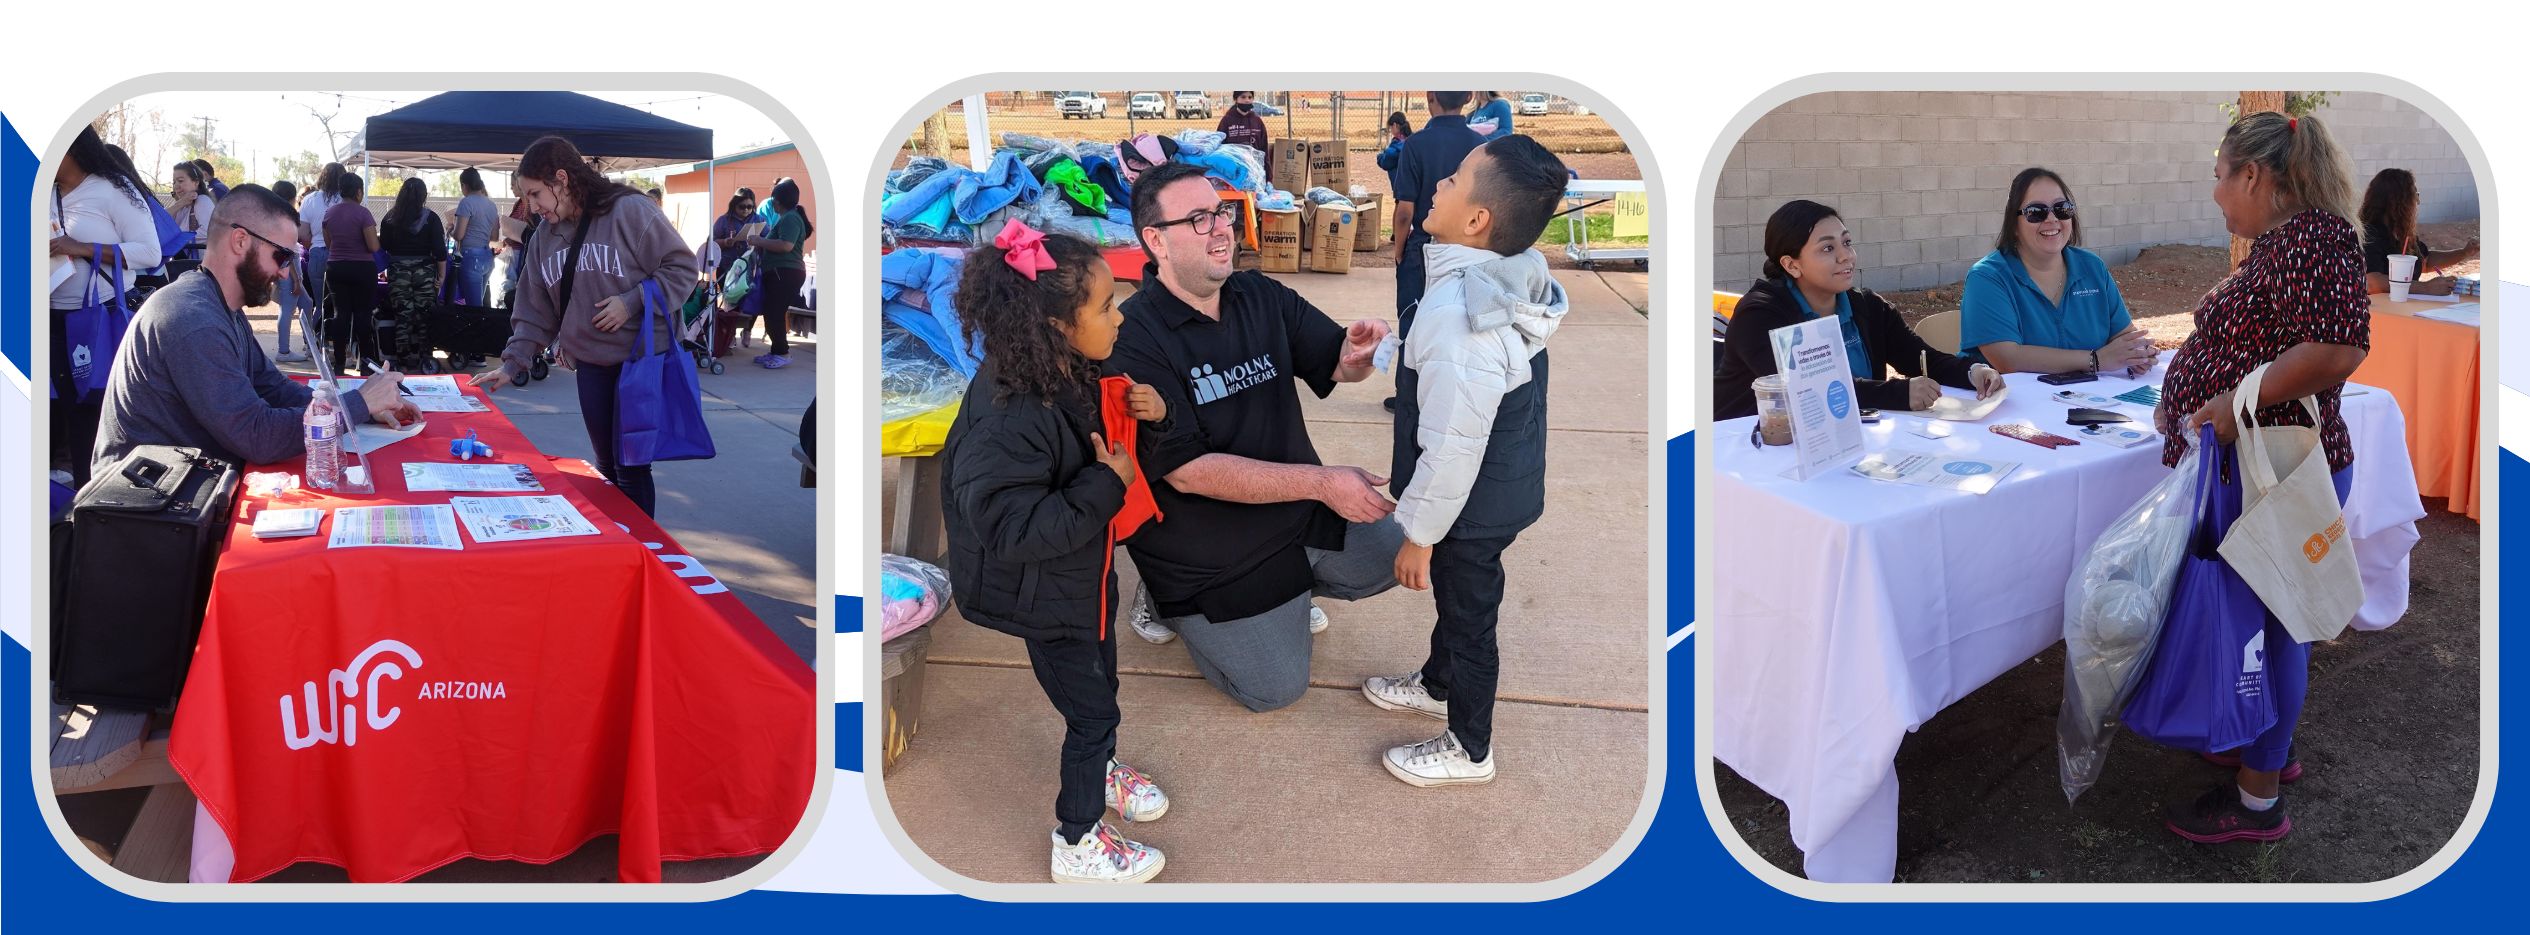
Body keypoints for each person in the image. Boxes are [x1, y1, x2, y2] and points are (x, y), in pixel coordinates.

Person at [1101, 161, 1400, 711]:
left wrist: (1358, 353)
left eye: (1221, 212)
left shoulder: (1258, 294)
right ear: (1155, 242)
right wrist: (1324, 482)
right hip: (1209, 548)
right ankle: (1169, 604)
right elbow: (1189, 472)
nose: (1221, 228)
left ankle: (1292, 591)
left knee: (1401, 552)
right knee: (1275, 690)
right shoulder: (1132, 338)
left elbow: (1335, 362)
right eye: (1197, 219)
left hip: (1294, 508)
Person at [2152, 111, 2369, 845]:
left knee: (2273, 633)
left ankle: (2256, 799)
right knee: (2268, 625)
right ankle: (2265, 743)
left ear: (2254, 175)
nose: (2215, 192)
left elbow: (2337, 350)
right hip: (2260, 469)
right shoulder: (2289, 243)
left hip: (2274, 472)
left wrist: (2228, 401)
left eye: (2221, 175)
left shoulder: (2311, 238)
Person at [938, 220, 1173, 885]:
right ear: (1059, 326)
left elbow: (1109, 447)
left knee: (1103, 681)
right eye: (1105, 305)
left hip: (1081, 574)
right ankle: (1078, 839)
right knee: (1091, 710)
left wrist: (1155, 416)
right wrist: (1107, 482)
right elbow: (1013, 529)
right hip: (1043, 592)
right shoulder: (1010, 416)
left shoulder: (1064, 368)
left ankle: (1101, 766)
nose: (1119, 313)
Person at [1363, 136, 1571, 787]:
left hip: (1471, 504)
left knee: (1469, 615)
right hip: (1496, 489)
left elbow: (1455, 440)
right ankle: (1435, 681)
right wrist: (1389, 346)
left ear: (1478, 219)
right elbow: (1450, 351)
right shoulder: (1494, 275)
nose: (1439, 186)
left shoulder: (1463, 314)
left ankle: (1470, 746)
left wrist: (1420, 535)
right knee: (1461, 604)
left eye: (1453, 180)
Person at [90, 184, 416, 477]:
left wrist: (361, 408)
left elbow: (270, 386)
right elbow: (257, 436)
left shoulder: (216, 303)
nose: (286, 274)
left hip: (179, 488)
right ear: (240, 240)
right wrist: (356, 405)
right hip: (142, 514)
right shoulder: (192, 318)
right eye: (281, 256)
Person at [468, 135, 701, 518]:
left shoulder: (630, 211)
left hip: (639, 363)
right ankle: (621, 551)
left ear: (562, 180)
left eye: (536, 194)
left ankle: (644, 552)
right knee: (606, 466)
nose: (532, 207)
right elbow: (534, 307)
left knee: (631, 466)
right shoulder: (544, 236)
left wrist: (631, 302)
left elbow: (682, 269)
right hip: (592, 365)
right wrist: (513, 363)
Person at [1713, 200, 2002, 420]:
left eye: (1847, 243)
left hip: (1848, 440)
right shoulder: (1761, 315)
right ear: (1792, 264)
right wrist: (1897, 394)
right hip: (1749, 449)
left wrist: (1973, 371)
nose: (1846, 256)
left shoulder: (1867, 306)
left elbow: (1919, 357)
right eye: (1828, 249)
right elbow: (1808, 392)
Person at [49, 127, 166, 487]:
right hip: (47, 318)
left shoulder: (113, 189)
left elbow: (150, 252)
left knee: (93, 411)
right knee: (58, 410)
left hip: (100, 319)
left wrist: (82, 247)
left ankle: (93, 499)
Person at [1960, 167, 2155, 375]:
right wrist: (2095, 360)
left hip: (2088, 398)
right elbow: (2007, 359)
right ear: (2014, 224)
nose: (2052, 219)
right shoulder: (1988, 277)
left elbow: (2124, 337)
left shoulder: (2092, 267)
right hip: (2012, 403)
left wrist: (2138, 352)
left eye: (2062, 208)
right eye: (2036, 212)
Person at [1387, 92, 1487, 413]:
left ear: (1430, 97)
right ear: (1470, 96)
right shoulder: (1481, 147)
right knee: (1461, 322)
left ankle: (1409, 397)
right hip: (1468, 250)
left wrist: (1400, 249)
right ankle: (1452, 396)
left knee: (1413, 321)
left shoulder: (1416, 145)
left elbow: (1405, 210)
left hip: (1424, 249)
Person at [2357, 167, 2479, 296]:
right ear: (2398, 202)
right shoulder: (2369, 233)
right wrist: (2426, 288)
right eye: (2414, 196)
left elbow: (2425, 261)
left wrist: (2463, 253)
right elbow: (2372, 282)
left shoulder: (2401, 232)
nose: (2417, 202)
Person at [378, 177, 447, 372]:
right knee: (425, 315)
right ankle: (426, 360)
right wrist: (441, 277)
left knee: (402, 316)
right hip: (425, 271)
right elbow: (440, 250)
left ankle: (403, 362)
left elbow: (384, 246)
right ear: (424, 196)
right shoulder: (431, 218)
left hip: (398, 270)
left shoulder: (391, 218)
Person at [745, 179, 812, 369]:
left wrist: (759, 241)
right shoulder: (787, 217)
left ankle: (782, 353)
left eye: (774, 199)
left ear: (780, 200)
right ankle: (776, 350)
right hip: (778, 272)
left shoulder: (791, 218)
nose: (771, 203)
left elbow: (786, 245)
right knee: (771, 311)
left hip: (786, 272)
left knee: (775, 312)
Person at [321, 172, 383, 377]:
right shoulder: (363, 214)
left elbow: (330, 243)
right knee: (362, 316)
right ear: (358, 191)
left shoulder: (330, 213)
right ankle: (366, 363)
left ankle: (339, 363)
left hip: (336, 268)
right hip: (362, 268)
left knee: (341, 315)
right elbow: (373, 246)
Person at [709, 191, 758, 356]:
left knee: (750, 301)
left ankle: (747, 330)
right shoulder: (724, 221)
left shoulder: (758, 220)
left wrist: (758, 242)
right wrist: (725, 242)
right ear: (734, 205)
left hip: (749, 267)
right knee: (730, 301)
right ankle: (729, 336)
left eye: (749, 207)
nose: (746, 210)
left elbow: (767, 237)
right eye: (742, 207)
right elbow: (711, 241)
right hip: (728, 267)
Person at [298, 162, 344, 331]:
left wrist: (314, 246)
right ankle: (339, 342)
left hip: (317, 254)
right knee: (340, 304)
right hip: (341, 256)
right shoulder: (346, 200)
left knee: (319, 303)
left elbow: (302, 234)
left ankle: (313, 342)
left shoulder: (309, 200)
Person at [268, 180, 310, 363]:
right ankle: (284, 351)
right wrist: (295, 279)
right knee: (287, 308)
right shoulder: (284, 217)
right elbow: (285, 250)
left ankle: (308, 344)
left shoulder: (272, 215)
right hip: (287, 268)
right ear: (291, 198)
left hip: (284, 266)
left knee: (306, 304)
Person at [451, 167, 500, 308]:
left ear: (464, 185)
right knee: (479, 303)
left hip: (471, 257)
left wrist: (450, 230)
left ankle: (477, 330)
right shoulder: (492, 205)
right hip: (487, 257)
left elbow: (459, 235)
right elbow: (494, 237)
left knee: (473, 308)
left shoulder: (466, 202)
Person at [1216, 90, 1269, 173]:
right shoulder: (1226, 120)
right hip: (1233, 170)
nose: (1247, 100)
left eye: (1250, 97)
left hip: (1255, 170)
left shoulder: (1257, 121)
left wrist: (1268, 176)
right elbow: (1219, 147)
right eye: (1243, 97)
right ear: (1235, 99)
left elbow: (1264, 149)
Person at [167, 161, 216, 252]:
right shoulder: (182, 206)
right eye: (174, 182)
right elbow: (162, 224)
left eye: (180, 181)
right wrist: (179, 204)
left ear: (196, 182)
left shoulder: (202, 201)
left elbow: (208, 233)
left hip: (198, 263)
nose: (176, 186)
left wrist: (177, 241)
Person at [1374, 110, 1412, 202]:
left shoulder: (1395, 146)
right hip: (1414, 185)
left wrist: (1380, 156)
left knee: (1399, 208)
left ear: (1395, 125)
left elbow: (1386, 163)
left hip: (1400, 186)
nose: (1391, 130)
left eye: (1391, 128)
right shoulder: (1412, 140)